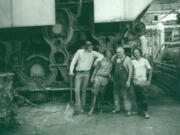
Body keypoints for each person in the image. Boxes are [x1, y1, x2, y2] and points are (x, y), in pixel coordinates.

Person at [69, 41, 104, 113]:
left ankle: (82, 107)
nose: (92, 48)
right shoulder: (79, 52)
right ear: (86, 47)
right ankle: (78, 107)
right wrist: (71, 71)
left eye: (92, 47)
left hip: (87, 73)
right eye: (90, 47)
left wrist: (96, 61)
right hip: (78, 73)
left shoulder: (93, 53)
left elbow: (101, 56)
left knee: (84, 91)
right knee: (76, 90)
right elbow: (73, 61)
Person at [88, 50, 113, 116]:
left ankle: (99, 107)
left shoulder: (111, 62)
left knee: (102, 94)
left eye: (110, 53)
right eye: (108, 53)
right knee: (94, 93)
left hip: (105, 79)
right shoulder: (101, 60)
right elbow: (96, 69)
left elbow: (110, 71)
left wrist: (110, 76)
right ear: (105, 54)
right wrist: (92, 77)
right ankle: (91, 109)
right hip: (98, 77)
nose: (109, 54)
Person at [112, 46, 134, 116]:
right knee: (116, 94)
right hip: (116, 80)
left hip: (124, 79)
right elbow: (112, 67)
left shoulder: (127, 59)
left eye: (119, 52)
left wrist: (128, 81)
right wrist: (111, 77)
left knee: (126, 94)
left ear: (123, 52)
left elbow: (131, 70)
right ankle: (117, 108)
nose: (118, 53)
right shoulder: (115, 58)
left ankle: (128, 109)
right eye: (117, 52)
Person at [132, 47, 152, 119]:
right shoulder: (133, 62)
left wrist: (149, 80)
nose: (136, 54)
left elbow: (150, 70)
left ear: (140, 53)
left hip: (143, 82)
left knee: (144, 97)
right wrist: (132, 79)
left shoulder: (144, 60)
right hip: (136, 82)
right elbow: (132, 72)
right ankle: (139, 110)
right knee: (137, 97)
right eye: (134, 53)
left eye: (137, 52)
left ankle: (146, 111)